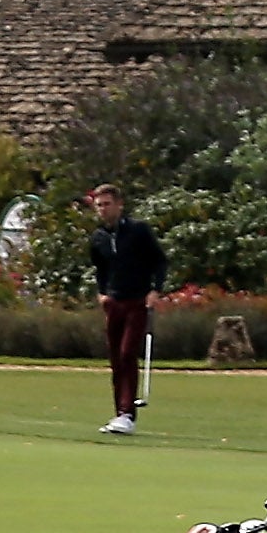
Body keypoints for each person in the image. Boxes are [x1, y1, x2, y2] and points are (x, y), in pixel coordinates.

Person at [83, 184, 164, 437]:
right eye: (99, 205)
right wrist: (102, 294)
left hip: (138, 301)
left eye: (107, 204)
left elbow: (159, 261)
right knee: (116, 359)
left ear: (119, 205)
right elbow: (101, 269)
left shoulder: (138, 231)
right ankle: (120, 412)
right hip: (114, 303)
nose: (103, 209)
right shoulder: (98, 237)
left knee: (128, 353)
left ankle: (128, 414)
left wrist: (155, 290)